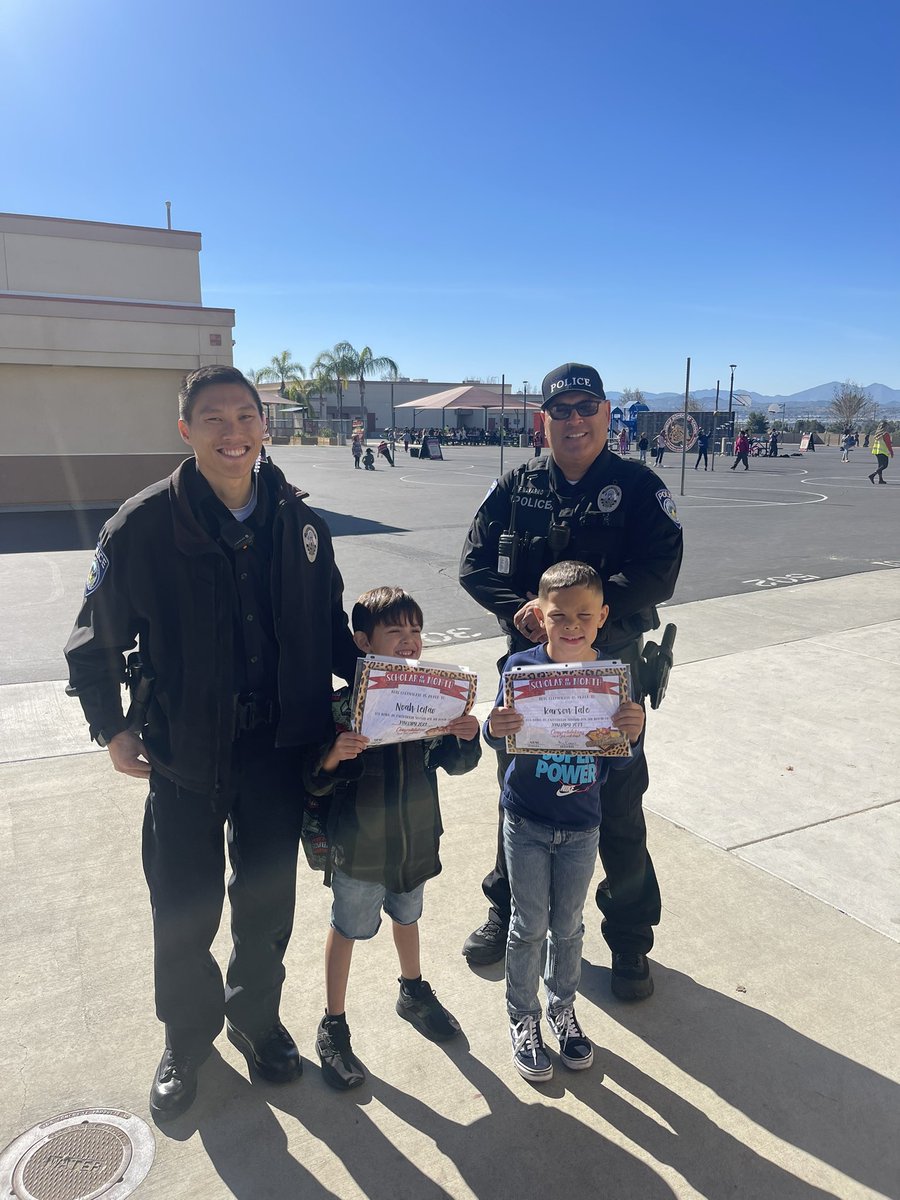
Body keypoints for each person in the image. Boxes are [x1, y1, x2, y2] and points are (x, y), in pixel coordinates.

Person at [64, 365, 360, 1123]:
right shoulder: (140, 528)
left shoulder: (301, 527)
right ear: (186, 430)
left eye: (246, 417)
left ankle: (256, 1020)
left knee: (266, 905)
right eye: (215, 419)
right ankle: (186, 1038)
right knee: (185, 908)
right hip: (183, 757)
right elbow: (92, 643)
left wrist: (396, 695)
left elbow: (334, 635)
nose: (234, 433)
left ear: (265, 426)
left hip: (276, 754)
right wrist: (113, 727)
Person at [458, 361, 683, 1000]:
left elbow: (661, 568)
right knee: (521, 793)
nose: (575, 420)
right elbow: (474, 562)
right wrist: (520, 609)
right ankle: (506, 909)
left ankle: (631, 939)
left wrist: (583, 613)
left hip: (609, 675)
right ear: (545, 420)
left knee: (616, 805)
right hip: (531, 675)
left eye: (587, 407)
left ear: (607, 415)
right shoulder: (518, 485)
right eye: (562, 410)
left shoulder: (638, 488)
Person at [304, 587, 481, 1089]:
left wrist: (464, 736)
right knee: (347, 927)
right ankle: (333, 1022)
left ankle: (413, 989)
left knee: (408, 914)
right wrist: (335, 754)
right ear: (363, 641)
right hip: (358, 846)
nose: (409, 642)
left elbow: (456, 764)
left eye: (416, 632)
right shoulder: (342, 708)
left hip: (415, 839)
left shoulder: (434, 701)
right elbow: (312, 779)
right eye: (395, 632)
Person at [485, 562, 645, 1082]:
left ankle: (562, 1007)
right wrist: (496, 725)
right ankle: (523, 1015)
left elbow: (619, 763)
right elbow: (496, 735)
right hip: (528, 819)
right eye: (558, 616)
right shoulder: (519, 669)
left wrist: (632, 732)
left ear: (602, 616)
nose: (571, 625)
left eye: (583, 615)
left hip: (581, 823)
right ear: (538, 615)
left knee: (568, 926)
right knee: (528, 924)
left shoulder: (611, 678)